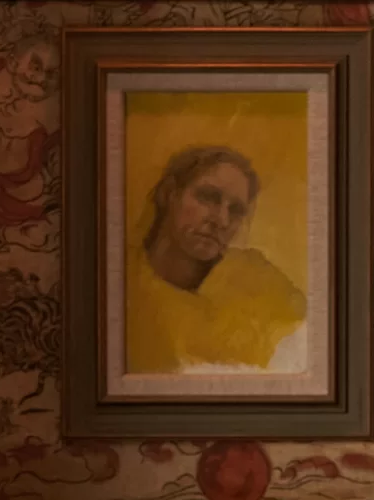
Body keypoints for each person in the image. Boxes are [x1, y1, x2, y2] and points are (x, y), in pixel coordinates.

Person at [127, 145, 307, 374]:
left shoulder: (259, 279)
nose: (221, 220)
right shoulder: (123, 280)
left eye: (236, 210)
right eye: (208, 197)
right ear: (169, 193)